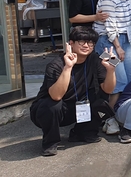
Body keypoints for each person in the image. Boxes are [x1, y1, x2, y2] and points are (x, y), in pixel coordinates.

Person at [29, 27, 117, 156]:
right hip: (50, 111)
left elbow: (108, 89)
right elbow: (56, 95)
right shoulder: (56, 64)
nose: (86, 45)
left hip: (78, 107)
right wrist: (68, 67)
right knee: (53, 105)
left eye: (90, 42)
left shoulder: (95, 59)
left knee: (101, 98)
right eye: (81, 42)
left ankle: (83, 132)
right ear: (71, 43)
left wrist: (111, 70)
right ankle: (50, 142)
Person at [93, 0, 131, 106]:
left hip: (124, 40)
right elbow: (109, 25)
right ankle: (110, 117)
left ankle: (125, 113)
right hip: (107, 43)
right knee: (119, 80)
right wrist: (118, 47)